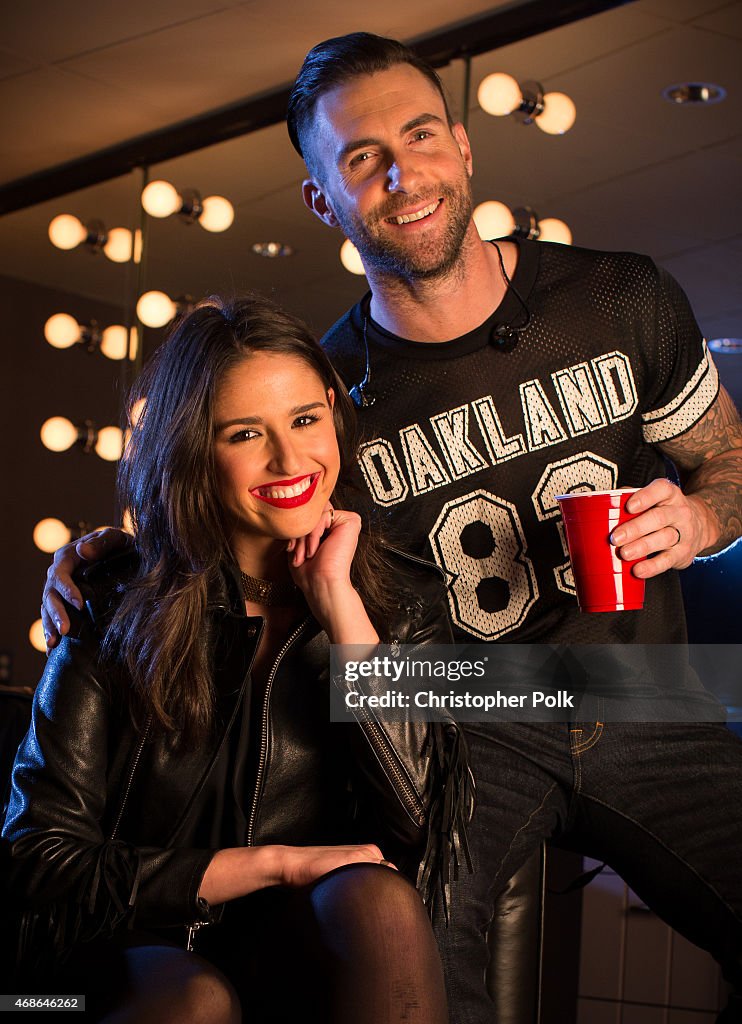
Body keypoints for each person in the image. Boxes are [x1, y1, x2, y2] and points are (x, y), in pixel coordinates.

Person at [40, 32, 742, 1023]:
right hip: (468, 722)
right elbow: (233, 522)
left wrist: (705, 513)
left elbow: (730, 458)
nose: (402, 171)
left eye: (419, 136)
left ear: (462, 147)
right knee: (405, 938)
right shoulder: (330, 399)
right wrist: (106, 565)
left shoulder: (620, 297)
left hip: (643, 689)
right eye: (362, 157)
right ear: (323, 199)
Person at [3, 294, 467, 1023]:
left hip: (283, 952)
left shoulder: (398, 607)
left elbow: (415, 824)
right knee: (194, 997)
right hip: (80, 973)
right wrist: (273, 866)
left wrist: (342, 612)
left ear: (333, 415)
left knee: (379, 903)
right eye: (246, 433)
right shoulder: (111, 602)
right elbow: (37, 863)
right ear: (194, 449)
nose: (290, 459)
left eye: (306, 420)